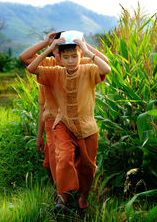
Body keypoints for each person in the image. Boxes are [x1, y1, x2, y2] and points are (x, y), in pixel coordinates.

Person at [27, 35, 111, 210]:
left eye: (74, 56)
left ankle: (83, 198)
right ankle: (63, 198)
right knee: (63, 159)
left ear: (81, 56)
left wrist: (86, 48)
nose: (71, 61)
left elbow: (107, 68)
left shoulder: (88, 70)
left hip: (87, 127)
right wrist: (50, 48)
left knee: (88, 167)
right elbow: (31, 67)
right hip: (63, 125)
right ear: (60, 59)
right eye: (66, 57)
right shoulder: (55, 72)